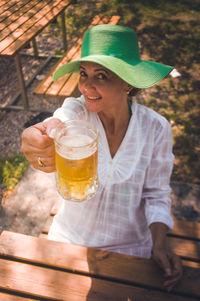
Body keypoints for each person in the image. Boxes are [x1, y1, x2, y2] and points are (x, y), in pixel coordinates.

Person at [21, 24, 182, 291]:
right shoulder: (78, 114)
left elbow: (156, 194)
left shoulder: (156, 128)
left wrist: (160, 244)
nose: (86, 86)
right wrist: (37, 140)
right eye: (83, 74)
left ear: (127, 82)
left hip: (132, 247)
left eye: (102, 76)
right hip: (71, 240)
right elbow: (61, 118)